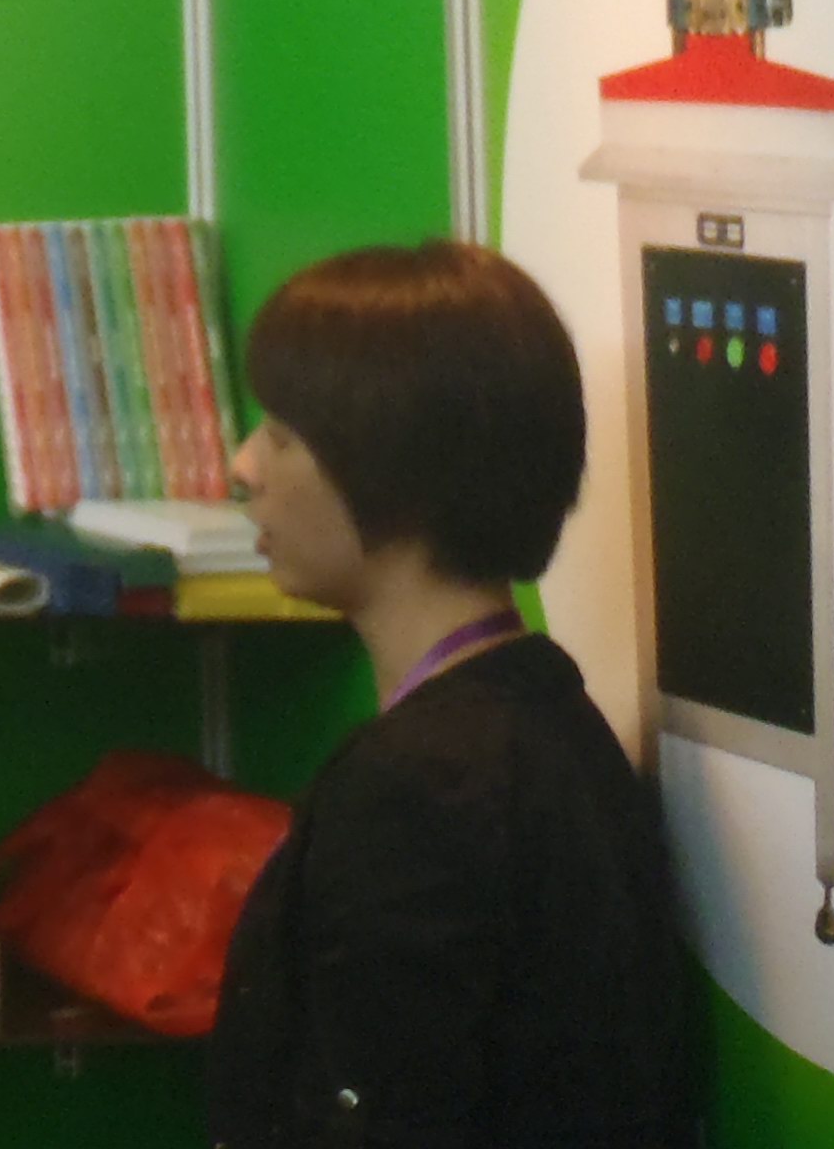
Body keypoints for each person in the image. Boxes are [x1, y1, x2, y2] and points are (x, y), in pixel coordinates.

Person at [207, 240, 693, 1149]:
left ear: (390, 465)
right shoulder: (545, 725)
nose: (244, 465)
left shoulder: (422, 785)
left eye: (282, 435)